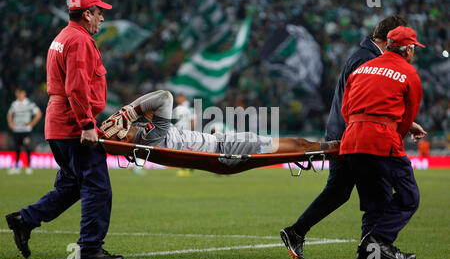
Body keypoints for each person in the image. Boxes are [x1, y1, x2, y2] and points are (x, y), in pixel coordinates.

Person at [279, 15, 426, 259]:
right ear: (389, 40)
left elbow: (358, 102)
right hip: (352, 134)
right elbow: (365, 103)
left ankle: (367, 252)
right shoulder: (370, 59)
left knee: (343, 191)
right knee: (370, 193)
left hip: (350, 132)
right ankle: (372, 249)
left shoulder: (364, 57)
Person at [5, 0, 124, 259]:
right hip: (73, 125)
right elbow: (76, 87)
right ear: (86, 14)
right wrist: (86, 124)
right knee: (97, 187)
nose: (102, 18)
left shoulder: (62, 37)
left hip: (57, 123)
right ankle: (91, 247)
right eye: (99, 12)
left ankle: (25, 219)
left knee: (71, 185)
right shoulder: (80, 41)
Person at [340, 26, 424, 259]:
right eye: (413, 49)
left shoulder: (362, 68)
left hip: (353, 140)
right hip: (381, 141)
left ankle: (371, 257)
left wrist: (358, 130)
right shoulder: (408, 72)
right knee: (409, 197)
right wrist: (394, 136)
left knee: (376, 202)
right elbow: (408, 116)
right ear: (408, 50)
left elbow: (347, 109)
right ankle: (377, 241)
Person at [99, 90, 340, 159]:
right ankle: (332, 147)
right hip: (225, 148)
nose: (130, 127)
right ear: (126, 136)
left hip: (221, 144)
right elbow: (163, 97)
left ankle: (329, 147)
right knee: (296, 144)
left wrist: (128, 118)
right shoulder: (149, 137)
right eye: (126, 128)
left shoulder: (145, 137)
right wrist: (127, 112)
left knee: (294, 145)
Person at [7, 87, 42, 175]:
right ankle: (16, 167)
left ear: (24, 94)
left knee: (27, 147)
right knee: (17, 148)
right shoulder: (14, 104)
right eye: (17, 93)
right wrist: (11, 123)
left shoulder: (29, 103)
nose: (19, 95)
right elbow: (9, 114)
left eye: (20, 93)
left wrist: (31, 123)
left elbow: (38, 114)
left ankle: (29, 166)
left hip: (26, 130)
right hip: (17, 130)